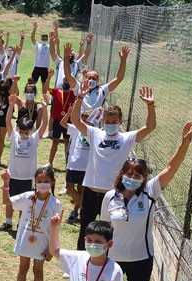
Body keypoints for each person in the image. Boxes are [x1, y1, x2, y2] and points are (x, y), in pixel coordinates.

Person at [101, 122, 192, 281]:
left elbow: (170, 168)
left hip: (141, 258)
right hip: (113, 258)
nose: (132, 177)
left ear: (144, 179)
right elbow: (104, 229)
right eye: (129, 173)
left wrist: (184, 144)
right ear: (122, 174)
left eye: (138, 175)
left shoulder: (150, 193)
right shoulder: (110, 197)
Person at [70, 83, 156, 250]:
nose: (110, 124)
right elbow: (75, 120)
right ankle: (81, 262)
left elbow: (150, 127)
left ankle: (105, 264)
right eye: (107, 121)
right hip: (90, 191)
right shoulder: (95, 134)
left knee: (108, 233)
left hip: (111, 195)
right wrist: (80, 98)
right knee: (85, 230)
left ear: (120, 122)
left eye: (114, 122)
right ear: (103, 121)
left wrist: (150, 105)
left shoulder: (126, 138)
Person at [0, 166, 62, 281]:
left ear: (52, 183)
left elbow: (56, 228)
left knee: (38, 272)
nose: (42, 184)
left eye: (46, 181)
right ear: (35, 182)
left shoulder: (55, 203)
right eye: (39, 181)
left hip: (42, 244)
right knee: (23, 269)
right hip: (25, 241)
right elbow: (7, 202)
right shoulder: (28, 197)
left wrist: (51, 249)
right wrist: (6, 183)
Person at [49, 217, 134, 281]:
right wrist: (53, 228)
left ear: (109, 244)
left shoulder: (114, 270)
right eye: (89, 240)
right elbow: (54, 251)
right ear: (85, 240)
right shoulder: (77, 258)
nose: (93, 244)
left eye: (98, 242)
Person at [0, 94, 49, 232]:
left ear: (31, 131)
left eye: (26, 132)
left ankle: (21, 223)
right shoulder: (14, 136)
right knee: (9, 200)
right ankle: (8, 223)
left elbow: (44, 125)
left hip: (27, 178)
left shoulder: (34, 138)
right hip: (13, 175)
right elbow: (8, 122)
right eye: (21, 131)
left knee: (24, 203)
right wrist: (11, 104)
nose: (24, 134)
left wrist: (44, 107)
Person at [47, 42, 78, 167]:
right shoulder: (57, 91)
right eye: (64, 80)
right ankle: (50, 162)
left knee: (66, 142)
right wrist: (49, 77)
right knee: (55, 141)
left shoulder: (74, 93)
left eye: (68, 80)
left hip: (68, 121)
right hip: (57, 121)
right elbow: (47, 88)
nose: (66, 81)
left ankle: (67, 163)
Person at [60, 103, 93, 223]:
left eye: (88, 120)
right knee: (69, 187)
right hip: (73, 164)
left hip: (86, 166)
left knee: (81, 189)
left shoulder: (94, 132)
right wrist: (69, 114)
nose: (85, 122)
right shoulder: (76, 129)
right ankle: (84, 207)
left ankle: (75, 211)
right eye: (83, 119)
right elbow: (62, 124)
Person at [81, 45, 128, 113]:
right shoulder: (79, 88)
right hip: (80, 122)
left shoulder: (103, 90)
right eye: (89, 78)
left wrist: (123, 60)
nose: (91, 80)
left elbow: (119, 78)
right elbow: (68, 76)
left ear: (97, 81)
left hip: (96, 123)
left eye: (94, 78)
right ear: (85, 78)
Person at [30, 22, 52, 95]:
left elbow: (55, 43)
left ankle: (44, 98)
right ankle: (31, 95)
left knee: (44, 84)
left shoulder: (49, 46)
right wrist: (34, 29)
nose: (44, 40)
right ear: (41, 39)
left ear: (47, 39)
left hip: (45, 68)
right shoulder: (37, 45)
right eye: (43, 38)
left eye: (45, 39)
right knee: (32, 83)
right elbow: (32, 38)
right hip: (37, 67)